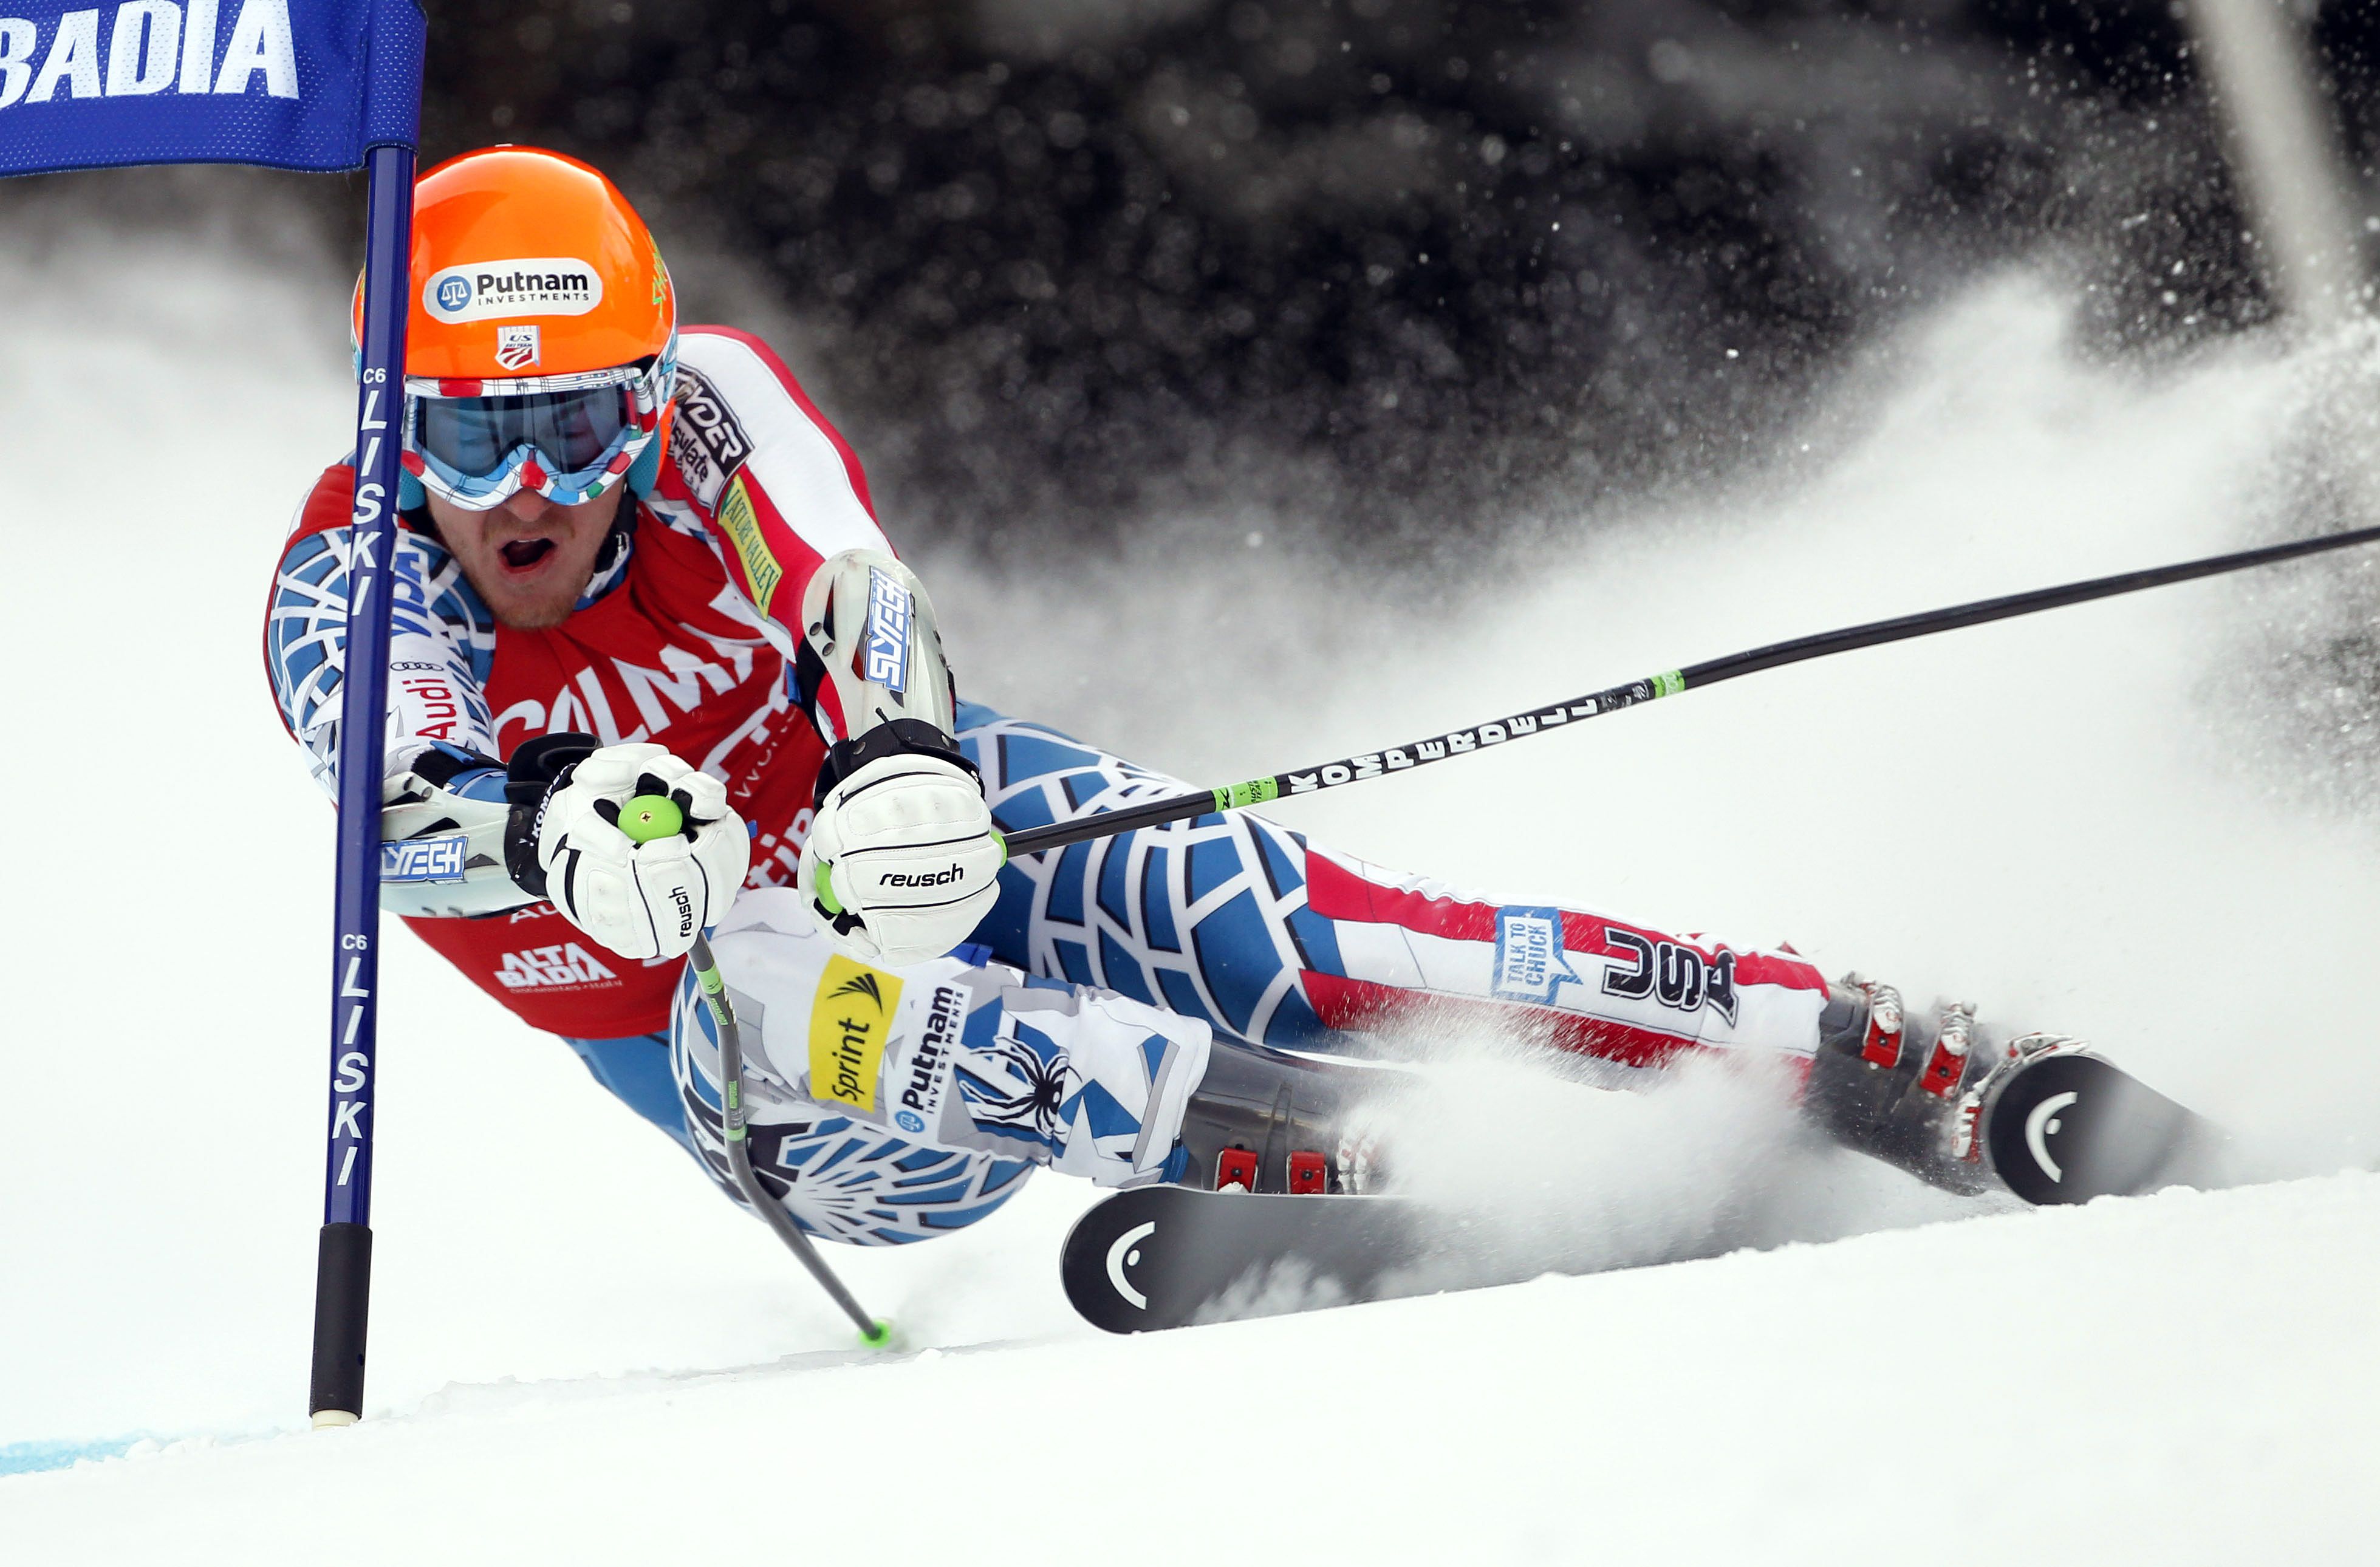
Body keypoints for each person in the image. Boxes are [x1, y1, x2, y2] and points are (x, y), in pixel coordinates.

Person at [265, 146, 2086, 1249]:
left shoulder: (713, 408)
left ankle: (1837, 1041)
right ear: (392, 428)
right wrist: (533, 821)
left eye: (575, 425)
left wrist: (902, 752)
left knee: (1282, 929)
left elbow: (854, 581)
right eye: (473, 436)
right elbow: (393, 777)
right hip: (769, 1077)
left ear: (646, 402)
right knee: (790, 986)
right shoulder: (346, 577)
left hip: (883, 843)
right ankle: (1343, 1159)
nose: (530, 490)